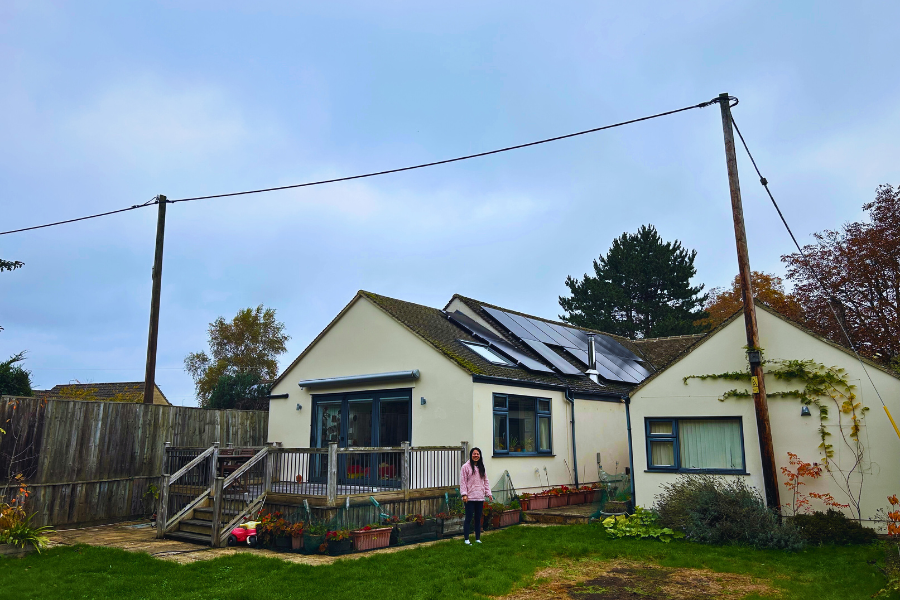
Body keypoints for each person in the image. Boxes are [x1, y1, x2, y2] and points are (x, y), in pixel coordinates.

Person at [459, 447, 492, 545]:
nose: (476, 455)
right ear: (471, 455)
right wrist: (464, 494)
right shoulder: (465, 467)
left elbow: (486, 481)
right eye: (474, 454)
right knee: (468, 518)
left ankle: (477, 538)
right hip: (470, 497)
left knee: (478, 518)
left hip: (480, 497)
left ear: (480, 456)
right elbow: (463, 482)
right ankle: (466, 540)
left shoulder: (482, 467)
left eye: (478, 454)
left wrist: (488, 493)